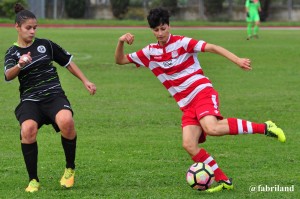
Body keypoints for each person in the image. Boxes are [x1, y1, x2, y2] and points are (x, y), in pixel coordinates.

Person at [115, 7, 286, 193]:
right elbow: (120, 60)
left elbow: (212, 47)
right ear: (151, 30)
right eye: (156, 30)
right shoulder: (150, 52)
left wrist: (236, 60)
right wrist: (121, 41)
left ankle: (265, 127)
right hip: (187, 105)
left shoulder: (183, 43)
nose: (160, 33)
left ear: (169, 26)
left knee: (211, 128)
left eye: (163, 28)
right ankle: (223, 180)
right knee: (189, 145)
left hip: (201, 91)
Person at [3, 3, 96, 193]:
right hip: (31, 99)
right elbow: (8, 76)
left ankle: (70, 169)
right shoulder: (12, 53)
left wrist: (85, 81)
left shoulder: (46, 45)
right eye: (28, 28)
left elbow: (68, 62)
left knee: (67, 121)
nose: (32, 31)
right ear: (17, 27)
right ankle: (33, 180)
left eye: (35, 27)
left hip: (53, 95)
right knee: (27, 129)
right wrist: (20, 64)